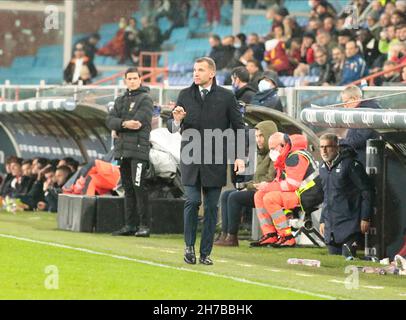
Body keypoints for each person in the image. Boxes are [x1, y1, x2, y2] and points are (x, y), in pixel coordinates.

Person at [167, 57, 246, 265]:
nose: (195, 73)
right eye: (194, 70)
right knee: (192, 201)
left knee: (211, 208)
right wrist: (176, 120)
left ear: (212, 73)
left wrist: (240, 156)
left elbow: (239, 128)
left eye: (200, 70)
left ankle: (205, 253)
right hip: (191, 158)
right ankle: (188, 247)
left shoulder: (227, 97)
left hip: (215, 159)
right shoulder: (185, 94)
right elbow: (172, 126)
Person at [106, 67, 154, 237]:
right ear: (125, 81)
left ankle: (144, 226)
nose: (132, 81)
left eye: (135, 78)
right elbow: (109, 120)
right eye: (129, 78)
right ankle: (130, 225)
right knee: (127, 188)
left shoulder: (146, 99)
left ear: (140, 79)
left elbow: (138, 122)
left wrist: (119, 125)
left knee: (139, 186)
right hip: (123, 151)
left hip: (139, 151)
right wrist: (124, 124)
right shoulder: (120, 100)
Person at [215, 120, 277, 247]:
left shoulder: (274, 154)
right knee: (226, 194)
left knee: (234, 197)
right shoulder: (262, 154)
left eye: (261, 136)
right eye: (256, 136)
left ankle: (232, 237)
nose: (258, 140)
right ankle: (224, 234)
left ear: (270, 136)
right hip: (257, 189)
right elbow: (257, 178)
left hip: (266, 192)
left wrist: (247, 186)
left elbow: (269, 179)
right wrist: (246, 185)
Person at [251, 132, 315, 248]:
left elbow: (291, 185)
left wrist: (268, 186)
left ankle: (287, 236)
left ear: (282, 145)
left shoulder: (295, 157)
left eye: (273, 148)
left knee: (270, 198)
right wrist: (265, 186)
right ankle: (270, 234)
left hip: (309, 195)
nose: (272, 152)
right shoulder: (288, 156)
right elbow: (282, 181)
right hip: (302, 192)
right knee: (259, 195)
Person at [318, 133, 372, 257]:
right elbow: (327, 195)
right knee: (335, 263)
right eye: (321, 147)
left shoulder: (350, 164)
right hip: (331, 226)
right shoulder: (322, 167)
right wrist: (322, 219)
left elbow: (367, 190)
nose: (324, 151)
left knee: (348, 262)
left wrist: (365, 217)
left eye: (328, 147)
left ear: (337, 147)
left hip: (350, 224)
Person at [339, 85, 380, 166]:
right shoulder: (359, 110)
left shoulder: (367, 112)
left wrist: (340, 142)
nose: (345, 107)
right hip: (361, 156)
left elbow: (360, 139)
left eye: (346, 102)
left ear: (355, 99)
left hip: (367, 160)